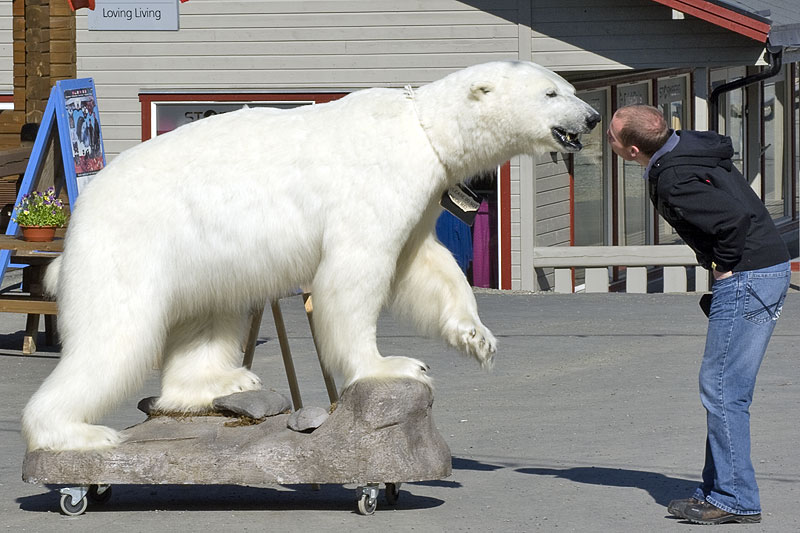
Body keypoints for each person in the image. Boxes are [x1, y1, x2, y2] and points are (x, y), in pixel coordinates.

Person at [607, 105, 791, 525]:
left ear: (633, 148)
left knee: (724, 389)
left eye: (613, 137)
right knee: (725, 387)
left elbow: (733, 220)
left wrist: (724, 267)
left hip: (748, 276)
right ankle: (718, 489)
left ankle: (734, 498)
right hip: (763, 269)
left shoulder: (674, 176)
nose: (609, 141)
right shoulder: (687, 148)